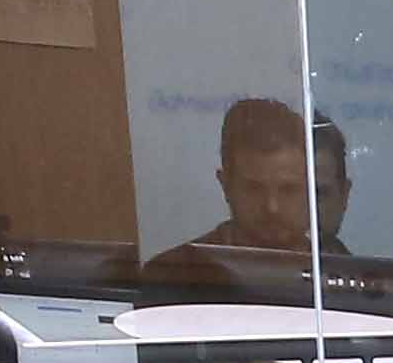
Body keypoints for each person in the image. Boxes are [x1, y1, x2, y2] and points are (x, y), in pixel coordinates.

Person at [141, 100, 354, 294]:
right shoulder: (174, 275)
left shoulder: (347, 276)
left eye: (288, 189)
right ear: (226, 186)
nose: (272, 207)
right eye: (254, 189)